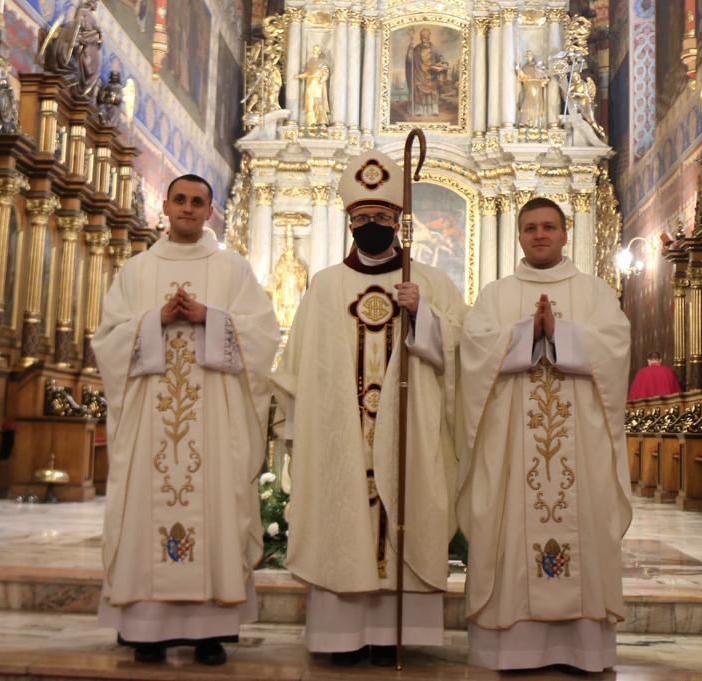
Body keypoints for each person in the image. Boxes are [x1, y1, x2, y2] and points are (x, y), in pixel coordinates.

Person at [271, 150, 466, 667]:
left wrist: (424, 315)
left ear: (400, 222)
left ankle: (392, 635)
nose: (372, 226)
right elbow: (299, 368)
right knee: (344, 520)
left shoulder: (431, 283)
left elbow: (465, 351)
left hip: (410, 437)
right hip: (340, 439)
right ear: (349, 222)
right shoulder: (324, 286)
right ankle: (341, 636)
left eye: (382, 216)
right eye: (363, 218)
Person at [93, 174, 280, 665]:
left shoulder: (232, 269)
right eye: (180, 199)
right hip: (148, 424)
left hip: (214, 425)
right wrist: (153, 320)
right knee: (144, 510)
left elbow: (264, 335)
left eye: (198, 202)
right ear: (166, 205)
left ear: (209, 211)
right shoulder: (137, 270)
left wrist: (209, 318)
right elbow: (107, 339)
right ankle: (147, 632)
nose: (188, 208)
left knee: (216, 508)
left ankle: (209, 632)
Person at [458, 197, 632, 672]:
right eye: (531, 227)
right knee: (510, 529)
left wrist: (561, 334)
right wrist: (523, 335)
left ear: (564, 233)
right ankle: (513, 649)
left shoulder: (595, 292)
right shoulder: (496, 295)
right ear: (519, 235)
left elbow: (617, 347)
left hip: (583, 447)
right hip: (512, 447)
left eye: (548, 227)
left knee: (585, 528)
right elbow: (472, 350)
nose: (539, 235)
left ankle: (582, 649)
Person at [405, 28, 449, 117]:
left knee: (433, 93)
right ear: (420, 37)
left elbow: (443, 59)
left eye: (426, 37)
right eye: (422, 37)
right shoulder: (416, 49)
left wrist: (443, 65)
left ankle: (434, 109)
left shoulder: (434, 49)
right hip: (419, 74)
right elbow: (410, 60)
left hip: (431, 75)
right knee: (419, 92)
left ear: (429, 37)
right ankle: (419, 110)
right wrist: (410, 49)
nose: (424, 39)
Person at [297, 46, 331, 127]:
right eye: (314, 50)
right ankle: (311, 122)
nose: (314, 51)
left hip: (317, 84)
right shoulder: (310, 62)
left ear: (319, 52)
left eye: (316, 50)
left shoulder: (321, 62)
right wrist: (299, 76)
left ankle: (322, 121)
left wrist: (322, 80)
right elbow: (308, 73)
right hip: (310, 84)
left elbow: (325, 71)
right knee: (310, 103)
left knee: (318, 102)